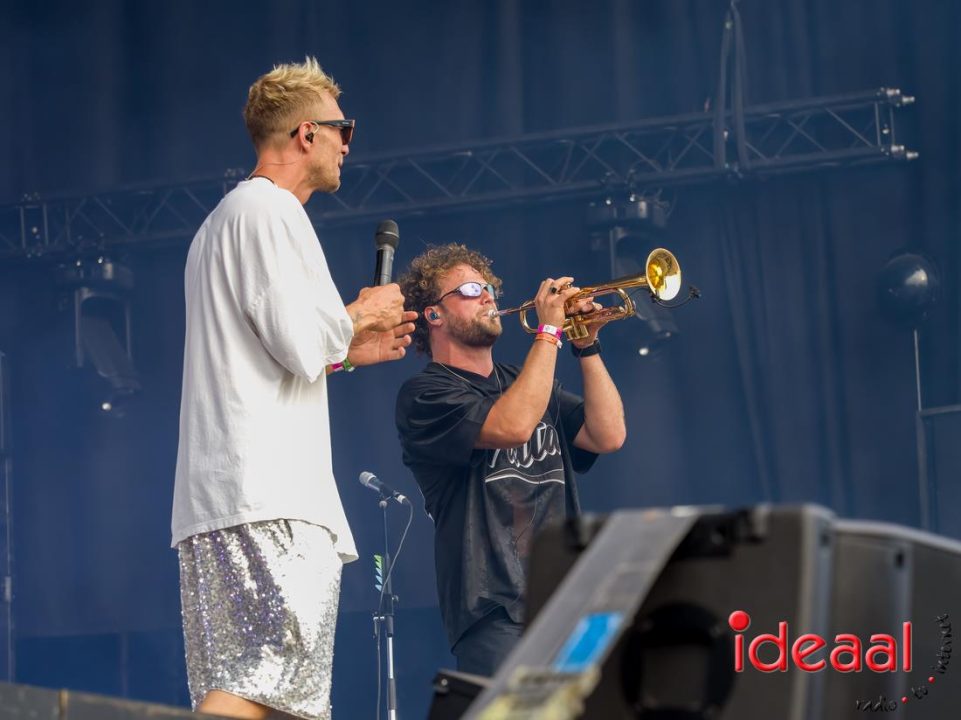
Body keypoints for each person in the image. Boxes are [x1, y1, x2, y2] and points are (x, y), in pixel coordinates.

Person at [171, 57, 417, 720]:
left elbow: (272, 354)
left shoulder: (223, 223)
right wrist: (360, 314)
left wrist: (346, 353)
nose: (348, 146)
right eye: (343, 130)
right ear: (307, 134)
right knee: (266, 686)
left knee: (273, 695)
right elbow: (299, 338)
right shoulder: (270, 210)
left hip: (234, 495)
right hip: (269, 496)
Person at [394, 243, 626, 677]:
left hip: (567, 597)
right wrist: (549, 331)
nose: (487, 297)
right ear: (434, 314)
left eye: (489, 288)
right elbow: (513, 426)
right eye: (470, 290)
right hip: (493, 609)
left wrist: (587, 345)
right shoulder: (425, 395)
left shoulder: (523, 381)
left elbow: (607, 434)